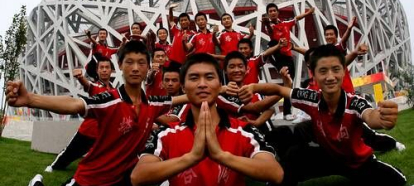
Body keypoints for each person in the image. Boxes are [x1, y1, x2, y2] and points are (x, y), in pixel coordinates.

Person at [7, 40, 188, 186]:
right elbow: (75, 104)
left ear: (148, 67)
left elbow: (182, 98)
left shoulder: (153, 103)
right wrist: (31, 99)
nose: (135, 68)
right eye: (129, 62)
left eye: (141, 63)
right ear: (120, 65)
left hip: (121, 178)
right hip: (91, 178)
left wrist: (215, 89)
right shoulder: (110, 100)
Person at [239, 44, 407, 186]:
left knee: (398, 180)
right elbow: (278, 89)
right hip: (328, 157)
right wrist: (253, 87)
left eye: (335, 70)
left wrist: (383, 118)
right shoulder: (311, 98)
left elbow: (370, 116)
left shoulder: (354, 103)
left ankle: (391, 147)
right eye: (323, 71)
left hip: (358, 162)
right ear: (314, 74)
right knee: (294, 157)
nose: (330, 77)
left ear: (343, 72)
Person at [130, 53, 284, 186]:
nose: (202, 84)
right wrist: (192, 157)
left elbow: (275, 173)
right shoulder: (166, 133)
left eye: (209, 77)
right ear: (183, 87)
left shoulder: (243, 130)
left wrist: (220, 155)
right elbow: (138, 176)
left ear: (219, 85)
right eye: (194, 78)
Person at [45, 57, 115, 173]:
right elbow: (87, 85)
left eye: (107, 67)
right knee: (70, 153)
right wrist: (80, 77)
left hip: (103, 133)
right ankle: (54, 167)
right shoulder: (95, 86)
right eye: (101, 67)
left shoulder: (113, 90)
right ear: (97, 71)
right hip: (87, 131)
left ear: (111, 70)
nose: (104, 70)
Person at [263, 3, 315, 120]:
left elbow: (297, 18)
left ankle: (288, 111)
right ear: (268, 14)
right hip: (279, 56)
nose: (272, 13)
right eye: (270, 11)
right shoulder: (269, 26)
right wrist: (266, 22)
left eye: (273, 10)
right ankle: (287, 112)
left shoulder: (286, 23)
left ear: (277, 12)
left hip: (289, 56)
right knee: (287, 82)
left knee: (290, 84)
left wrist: (308, 13)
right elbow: (271, 31)